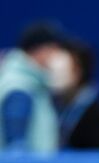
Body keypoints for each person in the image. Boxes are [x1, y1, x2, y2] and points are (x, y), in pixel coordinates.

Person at [0, 22, 65, 153]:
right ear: (40, 50)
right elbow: (16, 150)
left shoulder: (32, 83)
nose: (57, 56)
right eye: (54, 49)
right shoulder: (19, 87)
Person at [55, 39, 99, 149]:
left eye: (61, 69)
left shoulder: (97, 115)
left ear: (78, 71)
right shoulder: (57, 105)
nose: (54, 75)